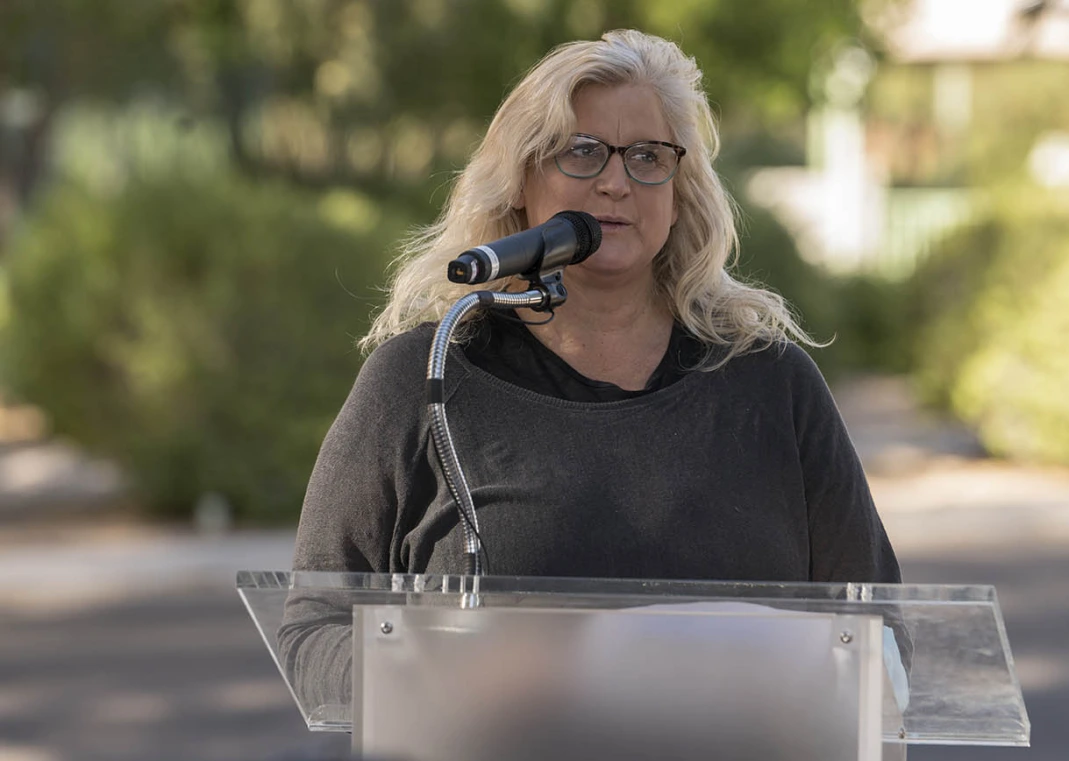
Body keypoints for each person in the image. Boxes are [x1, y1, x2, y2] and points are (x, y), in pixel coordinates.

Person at [280, 28, 903, 722]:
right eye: (581, 151)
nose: (615, 180)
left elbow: (879, 635)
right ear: (520, 181)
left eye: (646, 155)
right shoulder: (423, 378)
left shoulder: (772, 383)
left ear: (679, 186)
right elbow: (314, 631)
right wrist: (449, 675)